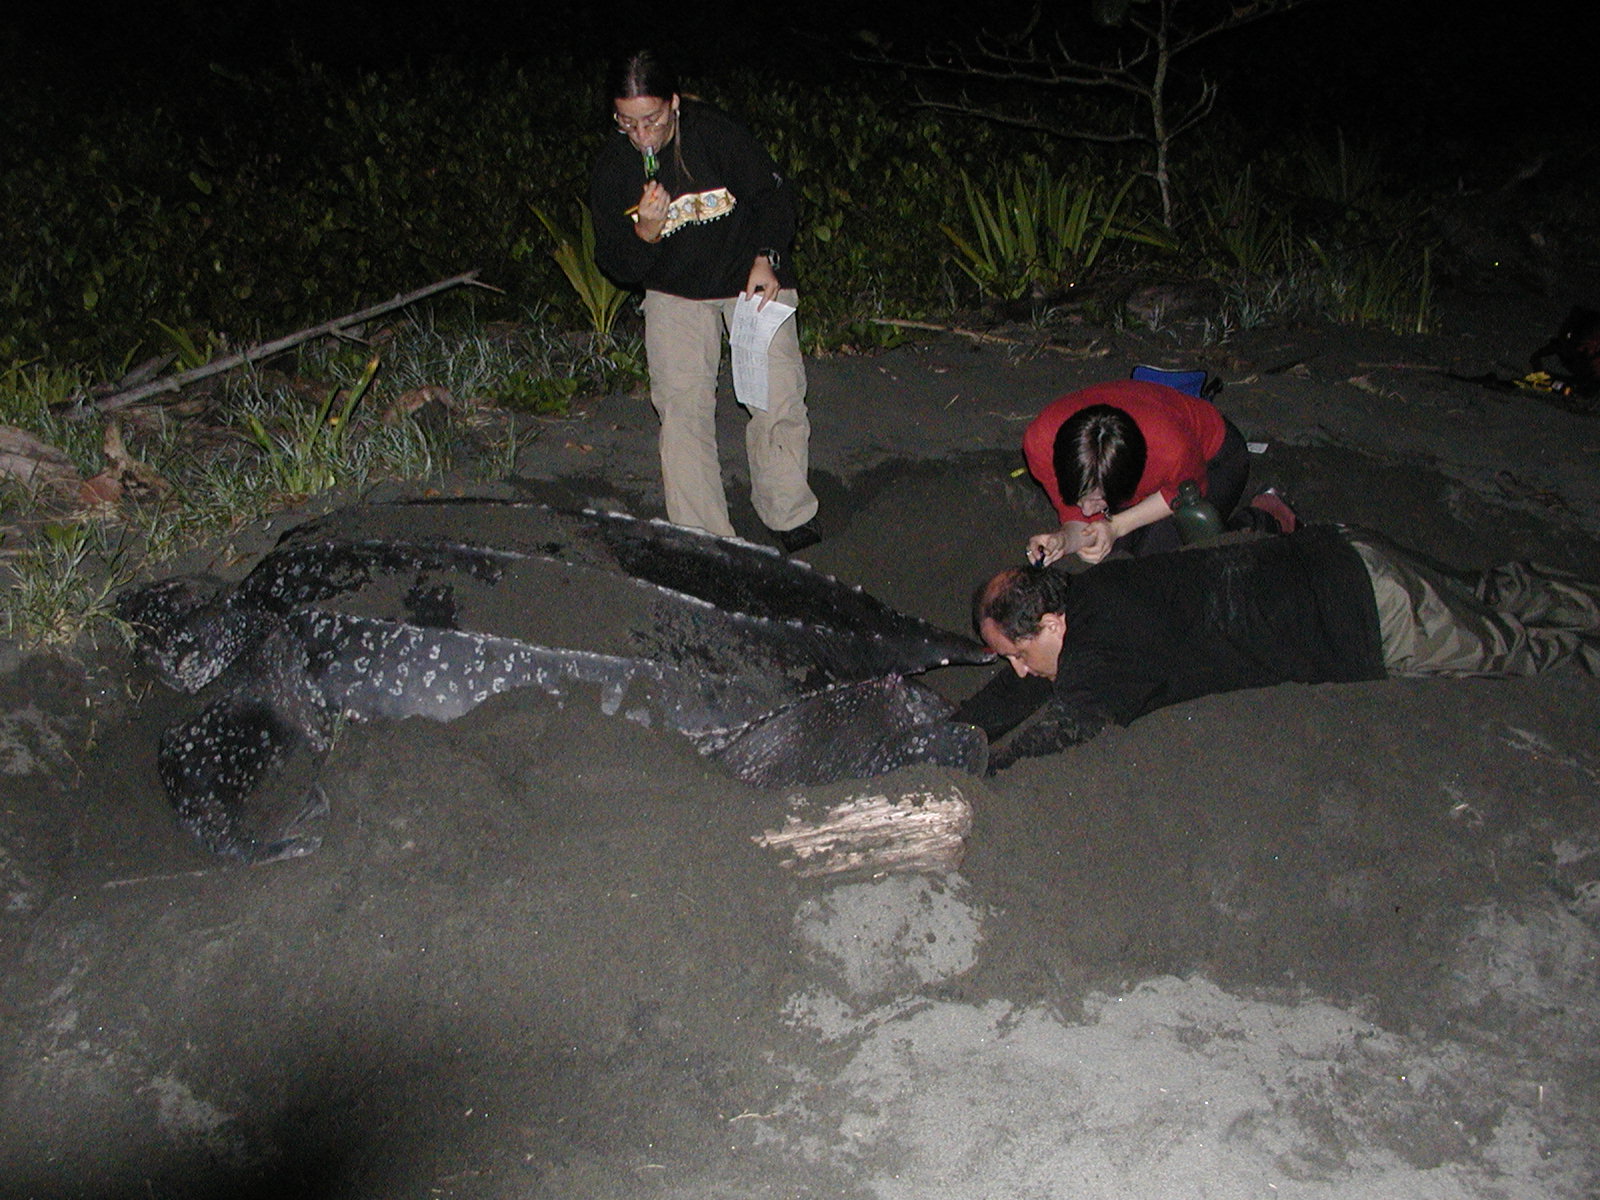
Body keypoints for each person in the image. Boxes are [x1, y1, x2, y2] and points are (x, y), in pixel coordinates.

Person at [956, 526, 1600, 769]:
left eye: (1016, 650)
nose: (1017, 668)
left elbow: (1060, 733)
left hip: (1368, 615)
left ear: (1050, 622)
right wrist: (955, 728)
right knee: (1491, 593)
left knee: (1515, 653)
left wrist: (985, 765)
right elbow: (1024, 682)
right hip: (1345, 553)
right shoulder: (1099, 591)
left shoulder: (1106, 653)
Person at [589, 49, 820, 554]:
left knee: (775, 395)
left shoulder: (717, 134)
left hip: (748, 280)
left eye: (651, 120)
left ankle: (786, 511)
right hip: (676, 291)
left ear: (673, 104)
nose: (642, 136)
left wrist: (767, 257)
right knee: (682, 408)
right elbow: (615, 263)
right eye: (627, 123)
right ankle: (706, 536)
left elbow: (775, 197)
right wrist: (645, 235)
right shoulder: (614, 167)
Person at [1023, 378, 1297, 567]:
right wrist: (1062, 541)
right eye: (1080, 496)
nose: (1086, 509)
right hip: (1142, 471)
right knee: (1114, 560)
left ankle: (1265, 517)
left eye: (1097, 500)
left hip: (1213, 459)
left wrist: (1116, 525)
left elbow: (1184, 491)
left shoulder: (1168, 446)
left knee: (1168, 563)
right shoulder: (1042, 443)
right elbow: (1081, 521)